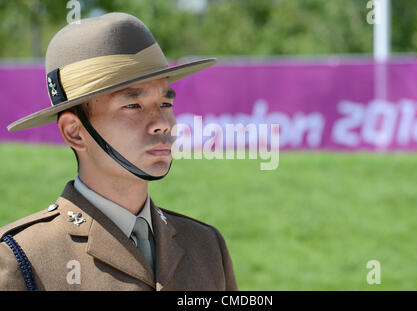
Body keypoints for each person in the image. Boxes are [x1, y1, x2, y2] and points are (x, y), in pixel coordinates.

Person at [0, 12, 238, 291]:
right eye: (133, 106)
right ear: (75, 132)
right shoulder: (23, 258)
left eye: (165, 103)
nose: (162, 124)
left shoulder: (206, 246)